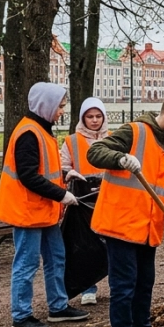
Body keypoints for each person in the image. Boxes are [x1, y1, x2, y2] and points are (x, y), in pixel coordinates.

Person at [88, 92, 164, 327]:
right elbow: (95, 152)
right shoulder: (134, 131)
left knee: (144, 283)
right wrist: (120, 158)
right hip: (121, 225)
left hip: (149, 229)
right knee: (124, 287)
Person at [0, 82, 89, 327]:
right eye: (59, 106)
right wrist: (62, 195)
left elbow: (41, 170)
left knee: (56, 258)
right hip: (27, 212)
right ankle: (21, 316)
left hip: (43, 210)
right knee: (27, 264)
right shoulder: (29, 132)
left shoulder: (41, 130)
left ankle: (58, 307)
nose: (61, 111)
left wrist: (66, 174)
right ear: (46, 106)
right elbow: (28, 176)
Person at [60, 97, 109, 305]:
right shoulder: (72, 141)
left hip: (106, 194)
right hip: (81, 197)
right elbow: (62, 166)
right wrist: (68, 173)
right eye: (90, 117)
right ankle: (89, 286)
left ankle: (115, 283)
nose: (95, 120)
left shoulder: (112, 139)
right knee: (85, 243)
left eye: (98, 116)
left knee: (110, 242)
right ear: (83, 118)